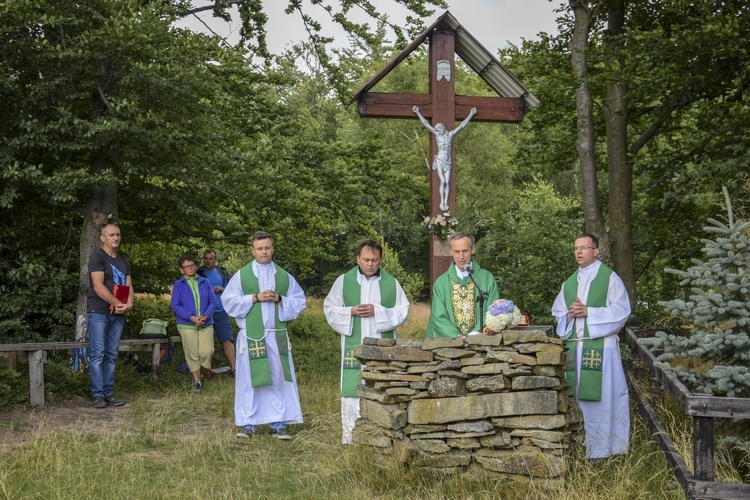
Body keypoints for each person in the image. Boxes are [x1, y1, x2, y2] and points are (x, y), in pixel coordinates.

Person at [551, 233, 631, 459]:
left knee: (604, 398)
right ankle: (579, 447)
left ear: (596, 251)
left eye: (584, 247)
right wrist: (569, 315)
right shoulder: (569, 283)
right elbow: (558, 313)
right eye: (576, 247)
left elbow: (621, 312)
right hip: (576, 349)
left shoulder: (610, 278)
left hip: (601, 350)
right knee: (578, 399)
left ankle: (606, 449)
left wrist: (589, 313)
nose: (578, 251)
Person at [323, 240, 410, 444]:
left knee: (381, 387)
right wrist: (350, 311)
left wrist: (378, 312)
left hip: (381, 344)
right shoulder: (343, 281)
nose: (370, 264)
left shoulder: (391, 283)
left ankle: (381, 434)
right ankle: (350, 436)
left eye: (374, 260)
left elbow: (403, 311)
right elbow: (329, 308)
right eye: (366, 260)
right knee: (353, 388)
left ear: (380, 260)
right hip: (354, 342)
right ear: (357, 259)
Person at [222, 231, 307, 440]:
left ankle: (279, 423)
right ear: (252, 250)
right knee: (250, 380)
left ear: (273, 248)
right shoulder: (242, 276)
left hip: (275, 336)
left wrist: (279, 298)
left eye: (267, 247)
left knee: (277, 379)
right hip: (252, 336)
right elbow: (228, 302)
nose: (264, 252)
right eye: (259, 248)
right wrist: (254, 297)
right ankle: (248, 423)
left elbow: (299, 301)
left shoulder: (284, 276)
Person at [86, 223, 134, 408]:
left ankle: (109, 393)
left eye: (118, 235)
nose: (115, 238)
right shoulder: (97, 257)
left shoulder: (123, 261)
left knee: (111, 354)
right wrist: (117, 303)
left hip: (118, 314)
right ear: (103, 238)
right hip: (99, 312)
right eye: (111, 235)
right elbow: (98, 287)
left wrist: (128, 305)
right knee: (98, 354)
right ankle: (97, 395)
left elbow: (129, 286)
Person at [425, 232, 499, 338]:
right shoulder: (441, 283)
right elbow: (438, 317)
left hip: (480, 342)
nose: (461, 256)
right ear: (450, 251)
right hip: (451, 345)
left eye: (465, 251)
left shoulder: (487, 278)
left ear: (473, 249)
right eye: (457, 252)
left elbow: (493, 311)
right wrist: (457, 336)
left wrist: (475, 333)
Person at [412, 105, 477, 212]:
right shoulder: (438, 136)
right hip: (440, 161)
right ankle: (442, 202)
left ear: (442, 128)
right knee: (442, 181)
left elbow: (461, 126)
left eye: (439, 129)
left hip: (448, 161)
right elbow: (426, 124)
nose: (438, 131)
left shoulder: (450, 135)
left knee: (447, 182)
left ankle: (446, 201)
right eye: (437, 130)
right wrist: (418, 112)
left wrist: (471, 114)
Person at [171, 254, 217, 394]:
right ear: (181, 270)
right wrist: (191, 318)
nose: (189, 268)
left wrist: (205, 316)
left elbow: (213, 302)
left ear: (195, 266)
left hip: (205, 322)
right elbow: (175, 306)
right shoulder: (179, 284)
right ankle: (197, 382)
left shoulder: (205, 281)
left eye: (191, 265)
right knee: (193, 354)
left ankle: (201, 373)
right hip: (186, 324)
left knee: (207, 352)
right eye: (186, 266)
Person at [198, 249, 236, 377]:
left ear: (215, 260)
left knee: (227, 340)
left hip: (221, 311)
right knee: (205, 343)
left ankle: (234, 369)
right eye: (206, 258)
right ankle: (205, 371)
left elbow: (233, 290)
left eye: (211, 259)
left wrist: (222, 289)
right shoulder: (198, 273)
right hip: (204, 312)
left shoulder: (223, 273)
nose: (208, 261)